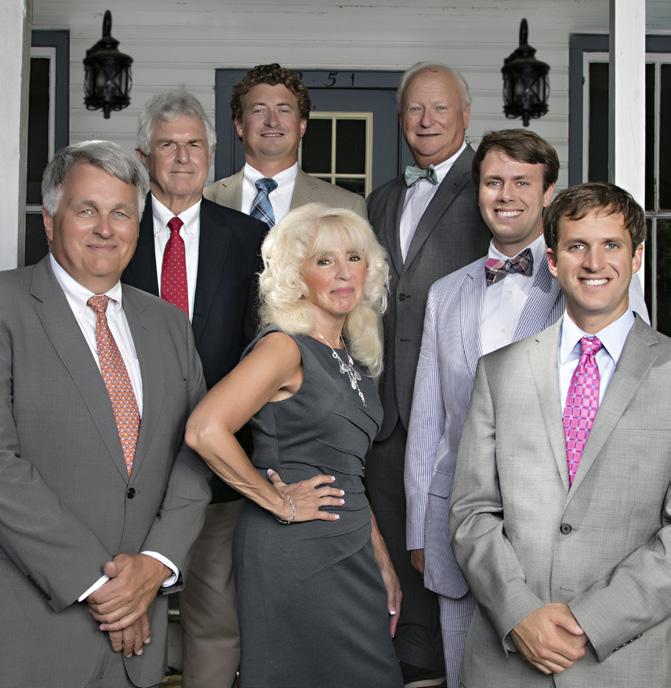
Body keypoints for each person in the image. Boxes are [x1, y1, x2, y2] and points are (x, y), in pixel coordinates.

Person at [0, 140, 211, 688]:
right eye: (86, 210)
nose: (105, 229)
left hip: (138, 644)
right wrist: (104, 588)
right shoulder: (6, 308)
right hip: (30, 635)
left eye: (120, 213)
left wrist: (156, 563)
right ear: (50, 221)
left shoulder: (169, 325)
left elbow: (197, 453)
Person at [450, 182, 671, 687]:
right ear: (552, 260)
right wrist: (518, 612)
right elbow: (471, 511)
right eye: (577, 246)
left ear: (637, 257)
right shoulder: (498, 372)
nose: (594, 262)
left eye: (611, 245)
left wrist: (592, 620)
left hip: (626, 660)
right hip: (509, 659)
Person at [185, 203, 403, 688]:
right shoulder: (283, 347)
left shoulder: (350, 354)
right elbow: (204, 428)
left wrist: (381, 558)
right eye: (324, 261)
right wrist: (278, 501)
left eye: (354, 258)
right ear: (296, 276)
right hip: (296, 552)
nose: (343, 273)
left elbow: (348, 471)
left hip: (350, 549)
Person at [404, 129, 563, 687]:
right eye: (494, 181)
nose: (506, 195)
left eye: (522, 182)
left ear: (547, 193)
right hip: (454, 523)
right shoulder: (446, 293)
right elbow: (428, 420)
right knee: (462, 673)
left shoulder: (580, 282)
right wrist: (420, 526)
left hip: (548, 524)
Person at [121, 89, 266, 688]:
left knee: (214, 614)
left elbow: (262, 350)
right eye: (167, 145)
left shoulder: (249, 238)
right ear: (143, 157)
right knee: (128, 606)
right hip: (126, 462)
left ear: (211, 153)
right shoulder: (114, 233)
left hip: (218, 468)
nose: (182, 157)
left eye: (194, 145)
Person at [365, 61, 490, 686]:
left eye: (441, 108)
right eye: (415, 109)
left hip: (461, 402)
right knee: (402, 555)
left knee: (461, 553)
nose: (427, 120)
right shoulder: (383, 198)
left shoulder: (491, 186)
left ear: (465, 116)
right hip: (390, 409)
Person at [204, 63, 367, 224]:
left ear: (302, 125)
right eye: (259, 110)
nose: (272, 122)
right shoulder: (203, 200)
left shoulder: (345, 207)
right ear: (239, 125)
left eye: (283, 110)